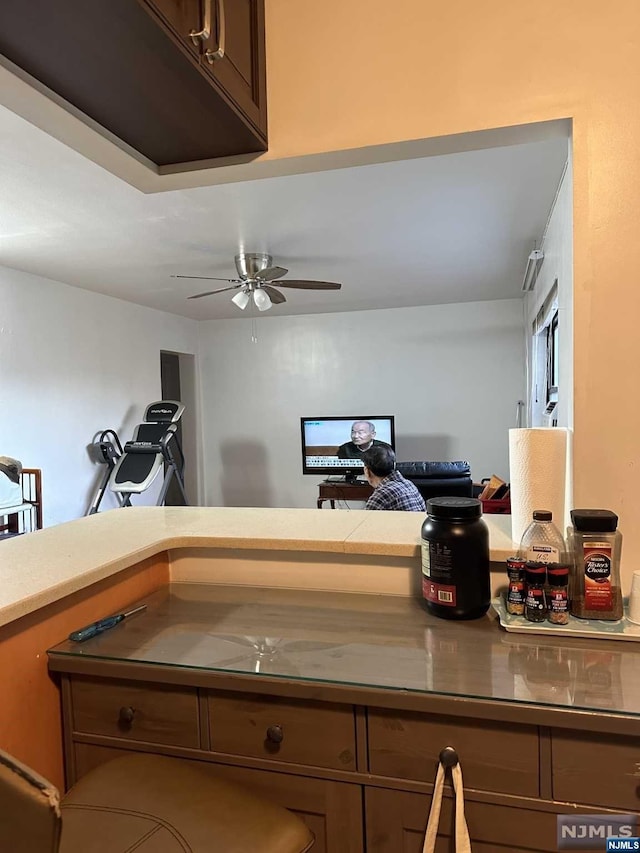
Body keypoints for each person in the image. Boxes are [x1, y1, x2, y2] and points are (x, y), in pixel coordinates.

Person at [362, 446, 426, 512]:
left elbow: (365, 521)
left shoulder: (380, 496)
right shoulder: (409, 484)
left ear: (367, 471)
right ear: (394, 465)